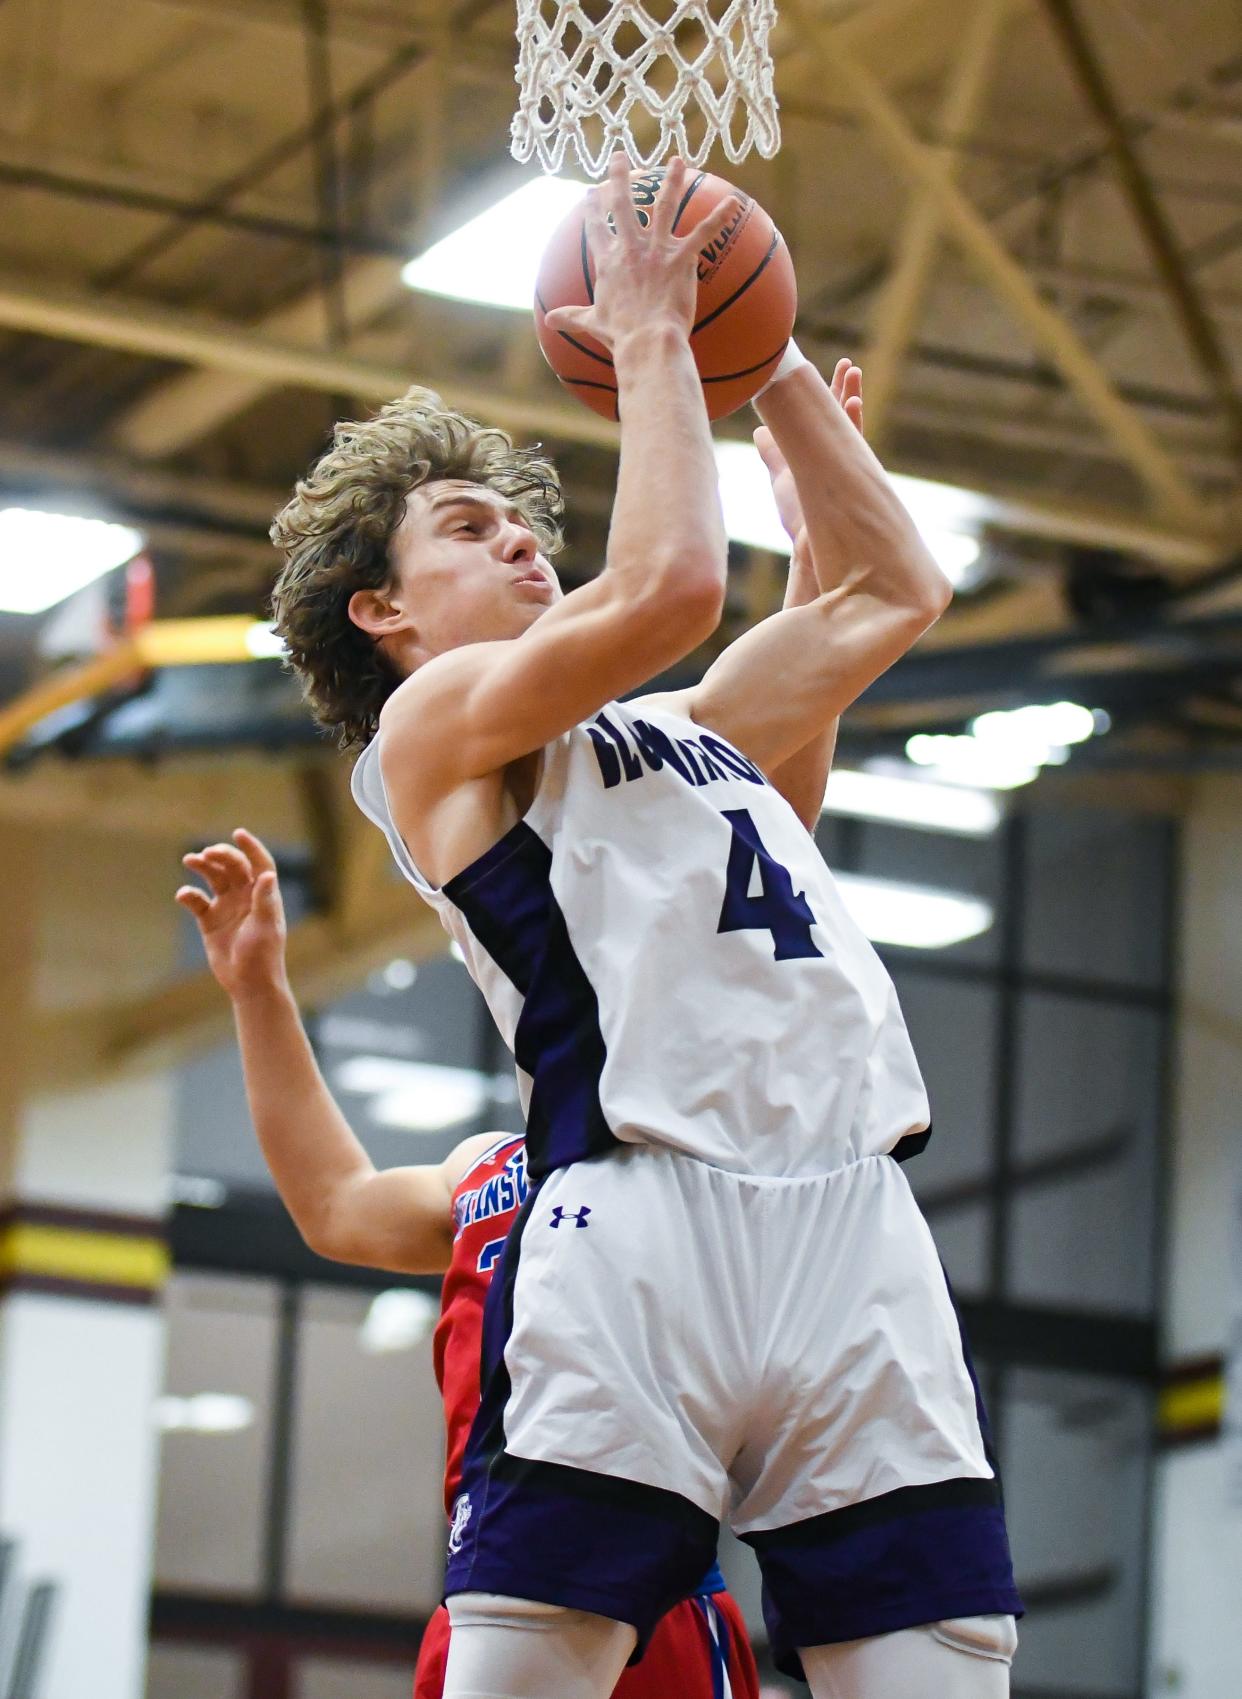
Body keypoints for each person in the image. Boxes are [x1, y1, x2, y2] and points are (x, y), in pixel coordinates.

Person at [267, 153, 1023, 1698]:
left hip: (856, 1228)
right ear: (384, 613)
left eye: (520, 521)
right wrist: (661, 331)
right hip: (640, 1232)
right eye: (469, 530)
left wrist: (776, 370)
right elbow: (671, 576)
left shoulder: (689, 727)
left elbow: (894, 590)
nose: (520, 543)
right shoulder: (430, 734)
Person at [175, 828, 760, 1699]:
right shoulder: (487, 1165)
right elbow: (337, 1204)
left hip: (646, 1585)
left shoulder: (705, 1149)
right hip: (487, 1584)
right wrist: (258, 989)